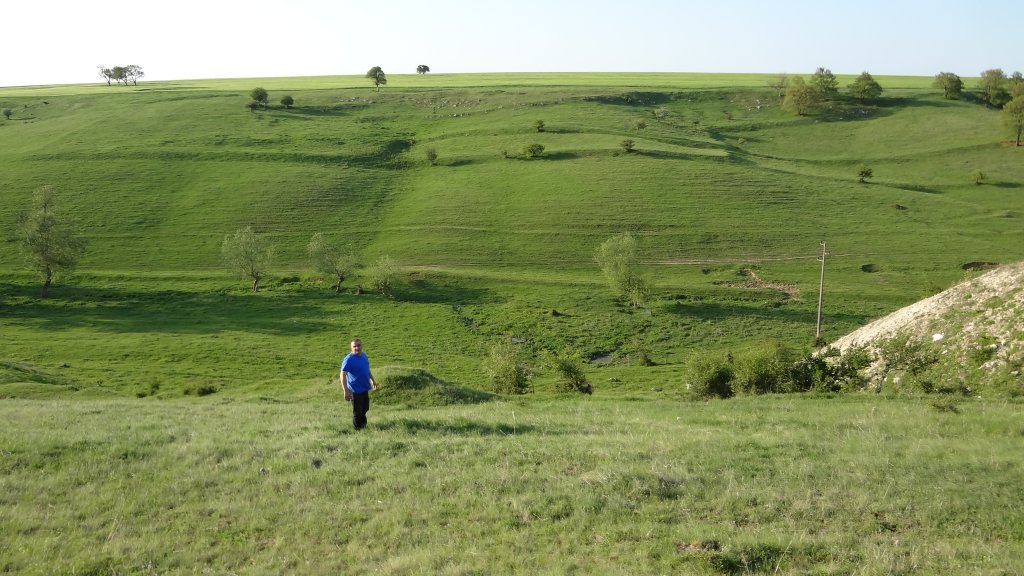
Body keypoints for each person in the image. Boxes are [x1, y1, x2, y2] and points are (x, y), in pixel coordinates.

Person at [340, 338, 377, 430]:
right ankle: (358, 430)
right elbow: (343, 374)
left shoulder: (364, 356)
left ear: (362, 346)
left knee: (365, 408)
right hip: (354, 390)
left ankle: (363, 426)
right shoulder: (348, 359)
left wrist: (372, 381)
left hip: (364, 388)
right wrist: (345, 390)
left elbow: (366, 370)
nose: (357, 348)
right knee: (357, 411)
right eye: (354, 346)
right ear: (351, 348)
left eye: (358, 345)